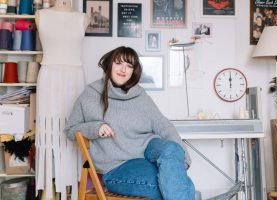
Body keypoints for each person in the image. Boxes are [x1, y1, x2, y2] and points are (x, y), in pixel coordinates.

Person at [64, 46, 195, 200]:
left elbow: (164, 125)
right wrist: (95, 127)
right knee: (182, 185)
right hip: (117, 167)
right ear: (109, 64)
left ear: (134, 71)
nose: (123, 69)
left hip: (147, 149)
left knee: (172, 149)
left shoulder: (140, 95)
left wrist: (183, 157)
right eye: (119, 63)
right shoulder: (90, 94)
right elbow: (70, 130)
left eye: (129, 66)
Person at [35, 0, 89, 199]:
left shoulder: (83, 18)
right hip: (49, 78)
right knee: (48, 131)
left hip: (75, 80)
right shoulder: (41, 15)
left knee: (72, 130)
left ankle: (70, 188)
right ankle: (49, 187)